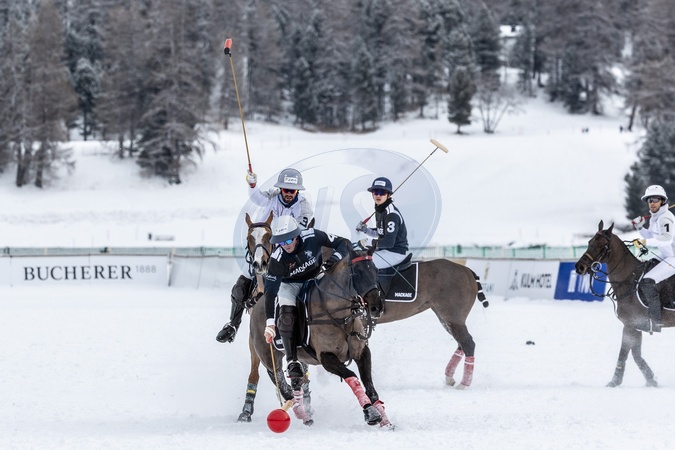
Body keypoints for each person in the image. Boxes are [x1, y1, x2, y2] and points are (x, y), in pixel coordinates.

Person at [216, 168, 314, 344]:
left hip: (289, 249)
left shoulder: (304, 206)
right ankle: (233, 325)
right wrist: (252, 184)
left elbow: (301, 229)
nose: (289, 194)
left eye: (292, 191)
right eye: (286, 190)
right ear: (280, 189)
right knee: (240, 287)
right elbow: (257, 198)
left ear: (297, 191)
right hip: (264, 246)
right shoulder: (272, 196)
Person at [263, 215, 351, 378]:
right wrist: (270, 324)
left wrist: (333, 260)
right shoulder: (277, 259)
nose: (285, 245)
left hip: (316, 277)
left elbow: (344, 243)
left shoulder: (313, 236)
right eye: (280, 242)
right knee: (287, 314)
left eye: (288, 240)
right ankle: (292, 361)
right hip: (290, 285)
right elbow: (270, 292)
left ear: (296, 236)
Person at [631, 184, 675, 333]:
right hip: (667, 256)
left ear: (663, 201)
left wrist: (645, 242)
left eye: (656, 199)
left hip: (673, 257)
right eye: (650, 200)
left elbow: (667, 239)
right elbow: (650, 235)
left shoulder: (665, 218)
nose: (652, 203)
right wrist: (640, 227)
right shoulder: (655, 218)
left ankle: (654, 321)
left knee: (648, 281)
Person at [355, 176, 409, 270]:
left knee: (362, 264)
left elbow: (388, 242)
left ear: (389, 195)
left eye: (382, 192)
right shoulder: (380, 210)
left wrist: (368, 241)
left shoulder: (391, 214)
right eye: (376, 192)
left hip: (395, 253)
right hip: (384, 250)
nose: (378, 195)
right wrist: (366, 230)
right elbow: (380, 232)